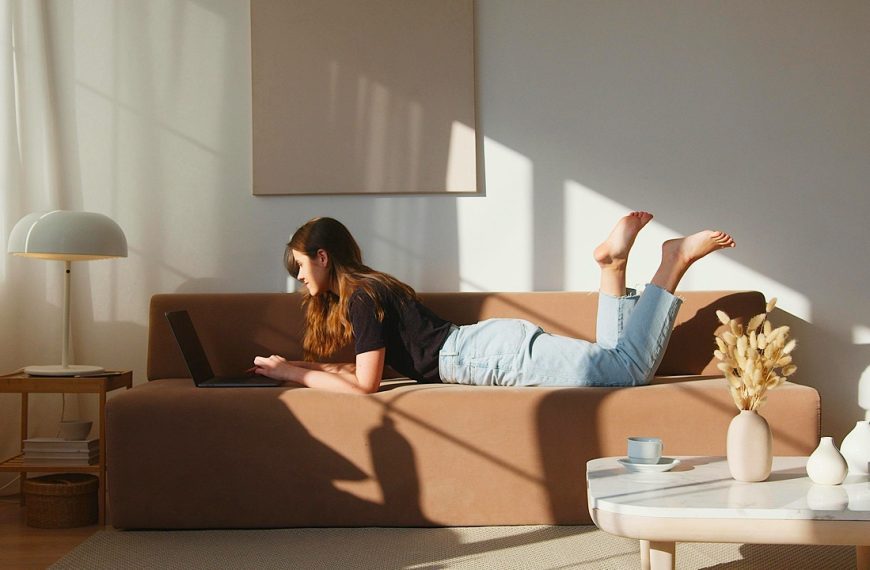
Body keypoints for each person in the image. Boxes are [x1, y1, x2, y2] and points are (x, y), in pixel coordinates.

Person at [253, 213, 735, 394]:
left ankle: (672, 262)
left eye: (298, 266)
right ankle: (612, 266)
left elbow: (365, 384)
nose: (298, 278)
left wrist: (294, 374)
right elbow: (359, 367)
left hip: (483, 356)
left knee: (628, 370)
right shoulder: (371, 288)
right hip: (483, 348)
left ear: (321, 256)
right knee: (614, 363)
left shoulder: (360, 298)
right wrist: (291, 363)